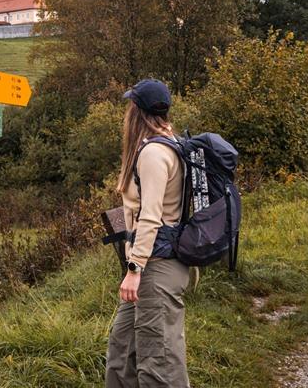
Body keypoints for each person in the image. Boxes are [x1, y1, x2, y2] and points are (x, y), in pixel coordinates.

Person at [105, 78, 190, 388]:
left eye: (131, 106)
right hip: (154, 264)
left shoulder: (154, 154)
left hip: (155, 266)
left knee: (158, 364)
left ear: (136, 112)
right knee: (121, 349)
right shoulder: (171, 143)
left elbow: (150, 217)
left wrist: (134, 268)